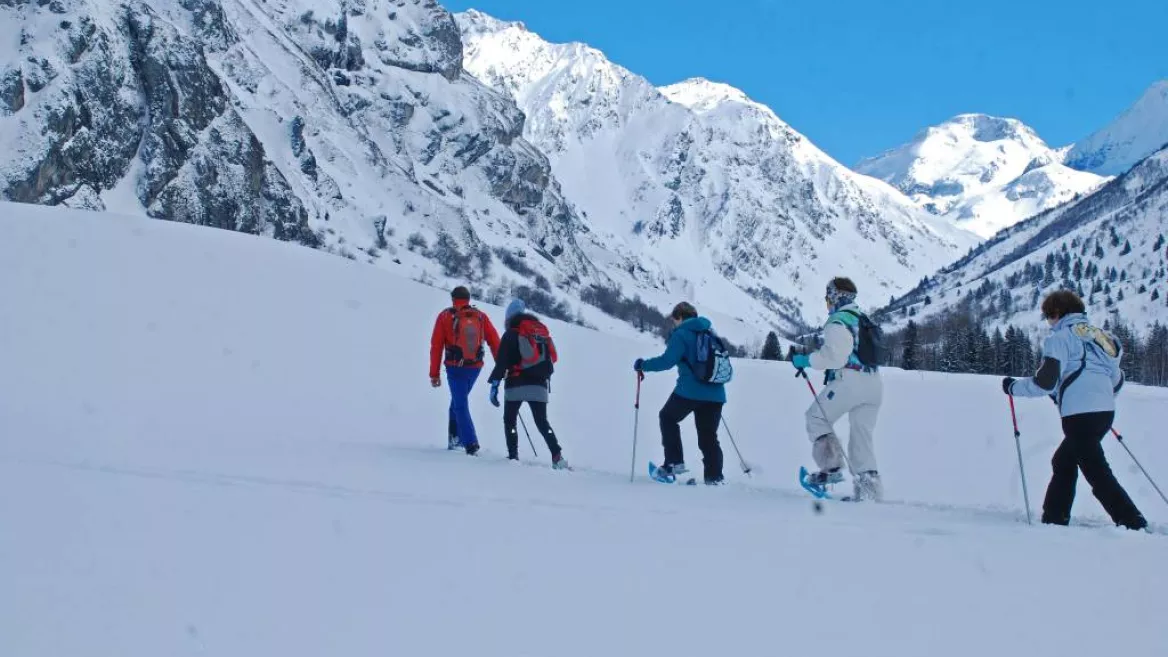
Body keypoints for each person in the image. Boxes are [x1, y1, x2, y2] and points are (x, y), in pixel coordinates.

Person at [1003, 290, 1147, 530]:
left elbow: (1046, 381)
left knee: (1096, 471)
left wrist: (1013, 388)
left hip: (1079, 415)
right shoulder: (1100, 338)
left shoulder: (1059, 339)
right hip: (1104, 412)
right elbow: (1117, 379)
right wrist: (1097, 397)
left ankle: (1132, 521)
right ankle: (1054, 518)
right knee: (1063, 461)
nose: (1049, 322)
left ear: (1058, 313)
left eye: (1049, 316)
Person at [791, 277, 884, 501]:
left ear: (836, 297)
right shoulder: (862, 318)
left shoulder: (838, 322)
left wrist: (805, 361)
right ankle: (869, 492)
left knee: (816, 418)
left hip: (850, 380)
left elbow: (833, 358)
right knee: (862, 435)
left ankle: (831, 469)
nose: (828, 305)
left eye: (827, 299)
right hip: (874, 383)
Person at [634, 302, 727, 485]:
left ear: (680, 317)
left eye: (674, 319)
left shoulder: (681, 334)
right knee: (708, 435)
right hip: (716, 393)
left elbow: (667, 361)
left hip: (690, 390)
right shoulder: (709, 332)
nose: (674, 323)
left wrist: (643, 365)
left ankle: (673, 464)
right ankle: (714, 477)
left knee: (667, 417)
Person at [486, 298, 569, 469]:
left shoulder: (510, 334)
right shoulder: (539, 334)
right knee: (542, 423)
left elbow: (501, 363)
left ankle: (513, 456)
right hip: (539, 385)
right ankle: (557, 456)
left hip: (515, 384)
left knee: (510, 421)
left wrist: (494, 385)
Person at [429, 286, 500, 455]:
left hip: (455, 367)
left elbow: (436, 346)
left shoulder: (445, 316)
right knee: (457, 402)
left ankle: (470, 443)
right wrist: (500, 365)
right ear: (468, 299)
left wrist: (434, 374)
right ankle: (455, 440)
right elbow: (494, 340)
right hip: (475, 367)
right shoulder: (480, 316)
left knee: (460, 404)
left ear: (453, 299)